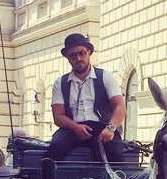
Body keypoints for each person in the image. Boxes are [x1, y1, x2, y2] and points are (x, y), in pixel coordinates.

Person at [48, 33, 125, 162]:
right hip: (71, 129)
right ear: (67, 57)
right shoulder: (60, 82)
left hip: (103, 128)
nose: (78, 58)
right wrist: (75, 127)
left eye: (82, 53)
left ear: (89, 52)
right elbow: (58, 116)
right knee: (53, 152)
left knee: (115, 154)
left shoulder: (106, 77)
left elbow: (119, 106)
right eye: (73, 55)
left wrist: (110, 128)